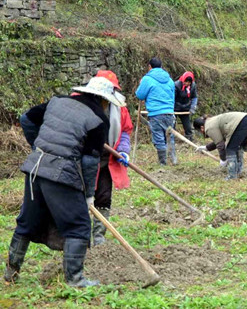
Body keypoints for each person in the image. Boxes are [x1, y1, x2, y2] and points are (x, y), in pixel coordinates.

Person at [4, 77, 124, 288]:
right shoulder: (98, 119)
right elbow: (89, 161)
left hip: (35, 167)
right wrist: (88, 194)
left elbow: (26, 119)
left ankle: (10, 273)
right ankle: (75, 280)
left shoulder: (57, 100)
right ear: (103, 100)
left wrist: (38, 147)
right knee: (78, 225)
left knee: (27, 221)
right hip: (61, 173)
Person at [91, 70, 133, 246]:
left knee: (103, 196)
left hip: (107, 159)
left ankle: (99, 235)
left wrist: (123, 150)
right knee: (81, 196)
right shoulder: (80, 101)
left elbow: (124, 131)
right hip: (85, 157)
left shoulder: (119, 107)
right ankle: (79, 236)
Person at [135, 57, 177, 165]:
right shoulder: (170, 80)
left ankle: (163, 163)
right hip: (170, 112)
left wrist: (141, 84)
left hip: (156, 113)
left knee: (159, 137)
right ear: (161, 66)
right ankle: (173, 160)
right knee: (169, 136)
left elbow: (140, 95)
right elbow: (173, 96)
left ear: (149, 66)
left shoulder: (147, 79)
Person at [194, 112, 247, 179]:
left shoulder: (209, 127)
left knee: (230, 149)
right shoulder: (211, 121)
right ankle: (239, 172)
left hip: (240, 124)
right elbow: (220, 139)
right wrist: (206, 148)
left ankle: (232, 176)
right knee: (238, 147)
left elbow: (220, 145)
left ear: (201, 127)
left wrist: (223, 159)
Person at [174, 71, 198, 141]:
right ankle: (171, 138)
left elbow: (194, 97)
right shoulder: (176, 85)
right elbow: (172, 98)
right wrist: (171, 108)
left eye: (189, 82)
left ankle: (189, 138)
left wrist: (192, 108)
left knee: (187, 125)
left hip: (186, 108)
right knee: (172, 123)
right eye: (186, 81)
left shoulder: (193, 86)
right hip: (175, 107)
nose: (187, 83)